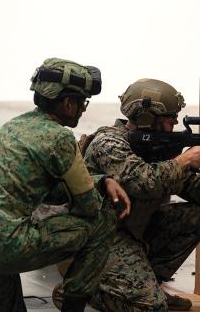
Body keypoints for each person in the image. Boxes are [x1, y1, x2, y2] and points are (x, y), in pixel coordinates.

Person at [0, 58, 131, 312]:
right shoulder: (59, 137)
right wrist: (103, 186)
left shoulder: (13, 127)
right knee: (103, 219)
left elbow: (47, 189)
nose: (83, 110)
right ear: (68, 103)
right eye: (82, 102)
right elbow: (89, 207)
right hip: (5, 246)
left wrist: (102, 182)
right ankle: (73, 305)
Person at [75, 78, 200, 311]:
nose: (175, 121)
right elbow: (143, 181)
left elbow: (190, 186)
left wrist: (192, 166)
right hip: (103, 239)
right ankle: (82, 291)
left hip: (134, 233)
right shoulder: (109, 143)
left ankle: (150, 283)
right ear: (146, 117)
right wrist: (185, 160)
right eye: (170, 117)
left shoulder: (157, 149)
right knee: (151, 308)